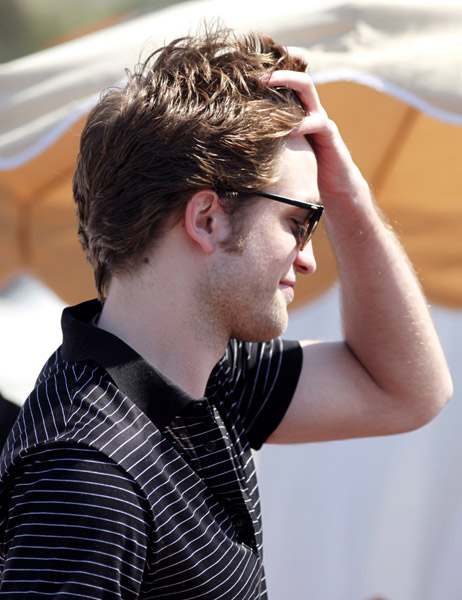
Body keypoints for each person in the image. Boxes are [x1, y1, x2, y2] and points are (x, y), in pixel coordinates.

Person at [0, 27, 452, 599]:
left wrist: (348, 197)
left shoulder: (212, 377)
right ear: (207, 219)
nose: (310, 257)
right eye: (298, 222)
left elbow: (409, 390)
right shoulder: (89, 472)